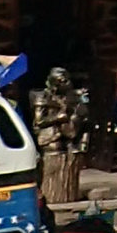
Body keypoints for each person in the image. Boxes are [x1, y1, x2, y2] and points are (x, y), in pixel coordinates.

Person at [33, 65, 88, 210]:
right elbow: (39, 121)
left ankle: (68, 192)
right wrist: (59, 117)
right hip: (51, 135)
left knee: (71, 155)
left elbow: (83, 116)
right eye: (62, 81)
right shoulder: (43, 96)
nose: (67, 84)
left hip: (68, 133)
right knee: (55, 152)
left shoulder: (72, 96)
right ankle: (54, 193)